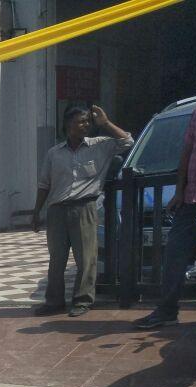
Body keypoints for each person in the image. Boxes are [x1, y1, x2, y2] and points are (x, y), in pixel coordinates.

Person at [31, 104, 133, 317]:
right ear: (68, 124)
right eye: (81, 121)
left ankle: (82, 300)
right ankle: (54, 301)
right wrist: (36, 212)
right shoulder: (54, 153)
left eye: (88, 121)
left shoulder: (100, 145)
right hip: (57, 211)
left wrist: (105, 123)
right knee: (56, 260)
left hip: (84, 208)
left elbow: (127, 141)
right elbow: (44, 184)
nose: (86, 124)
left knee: (86, 259)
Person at [134, 69, 196, 329]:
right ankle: (166, 310)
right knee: (175, 253)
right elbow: (187, 151)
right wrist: (179, 191)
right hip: (192, 200)